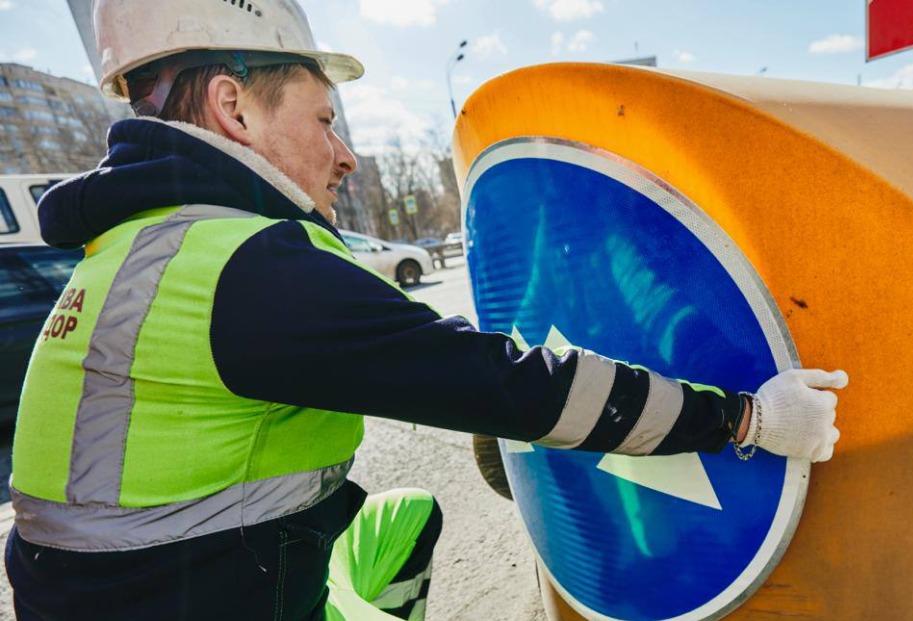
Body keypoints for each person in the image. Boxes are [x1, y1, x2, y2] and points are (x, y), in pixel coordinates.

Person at [5, 1, 848, 619]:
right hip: (192, 602)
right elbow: (512, 386)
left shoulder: (130, 247)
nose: (345, 155)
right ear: (233, 108)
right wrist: (747, 419)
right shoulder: (248, 266)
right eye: (325, 120)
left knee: (402, 516)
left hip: (129, 591)